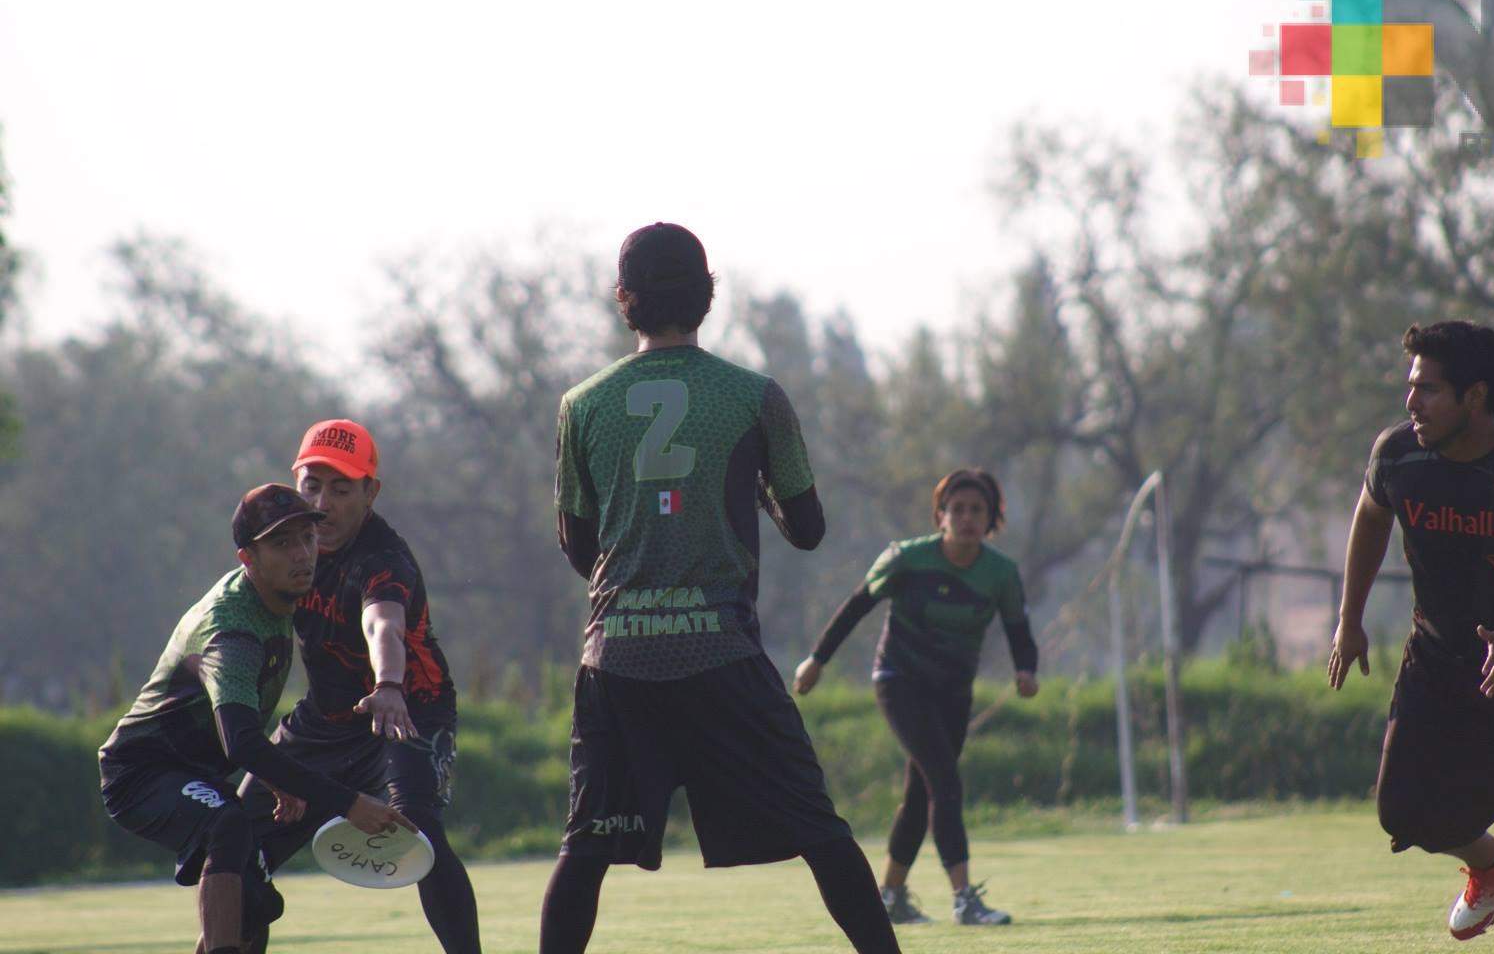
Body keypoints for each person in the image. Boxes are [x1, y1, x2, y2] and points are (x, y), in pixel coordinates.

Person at [540, 222, 901, 954]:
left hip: (618, 661)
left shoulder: (583, 403)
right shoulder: (755, 396)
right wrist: (753, 490)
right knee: (820, 832)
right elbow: (808, 528)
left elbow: (579, 546)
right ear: (707, 296)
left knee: (585, 850)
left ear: (624, 299)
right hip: (722, 656)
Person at [99, 484, 415, 954]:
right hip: (140, 773)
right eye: (281, 543)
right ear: (248, 558)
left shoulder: (278, 593)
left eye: (307, 537)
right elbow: (242, 743)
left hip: (195, 773)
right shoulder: (232, 634)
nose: (302, 553)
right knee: (226, 825)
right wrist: (349, 803)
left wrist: (278, 777)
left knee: (255, 901)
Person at [236, 419, 481, 954]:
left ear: (371, 492)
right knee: (235, 844)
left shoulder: (383, 558)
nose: (323, 504)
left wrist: (389, 684)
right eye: (312, 486)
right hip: (325, 720)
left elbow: (382, 624)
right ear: (296, 483)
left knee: (419, 829)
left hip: (407, 709)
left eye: (341, 489)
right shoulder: (285, 549)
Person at [1329, 321, 1494, 942]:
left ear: (1475, 396)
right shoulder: (1398, 454)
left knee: (1468, 798)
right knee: (1404, 812)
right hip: (1438, 660)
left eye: (1428, 389)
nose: (1411, 401)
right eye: (1411, 385)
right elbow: (1372, 515)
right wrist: (1350, 620)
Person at [794, 469, 1038, 927]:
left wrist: (1027, 669)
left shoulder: (1001, 573)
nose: (967, 518)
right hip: (899, 680)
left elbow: (1019, 630)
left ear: (991, 519)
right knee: (945, 780)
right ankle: (964, 899)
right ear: (940, 516)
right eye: (957, 509)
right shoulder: (906, 558)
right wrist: (817, 660)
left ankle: (890, 897)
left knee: (922, 790)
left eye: (977, 510)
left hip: (953, 691)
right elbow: (857, 605)